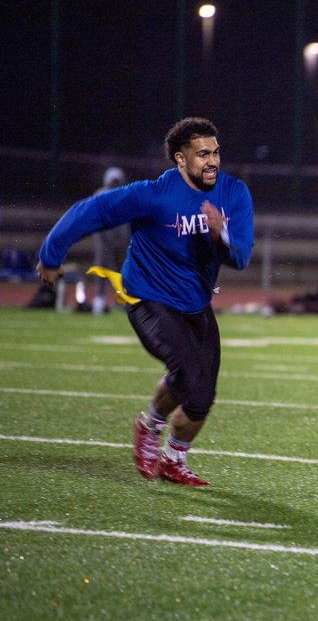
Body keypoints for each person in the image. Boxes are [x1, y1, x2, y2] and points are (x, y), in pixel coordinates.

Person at [36, 117, 254, 486]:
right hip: (147, 297)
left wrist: (222, 236)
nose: (213, 161)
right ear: (180, 159)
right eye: (202, 154)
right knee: (188, 372)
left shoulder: (234, 193)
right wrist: (51, 254)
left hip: (196, 303)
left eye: (216, 152)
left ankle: (173, 459)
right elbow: (90, 211)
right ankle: (150, 425)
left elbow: (242, 257)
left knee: (201, 398)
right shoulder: (153, 195)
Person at [90, 167, 131, 314]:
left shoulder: (126, 194)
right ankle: (99, 299)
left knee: (122, 270)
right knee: (102, 268)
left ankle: (121, 299)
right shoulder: (100, 195)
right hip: (103, 238)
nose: (114, 183)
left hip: (121, 239)